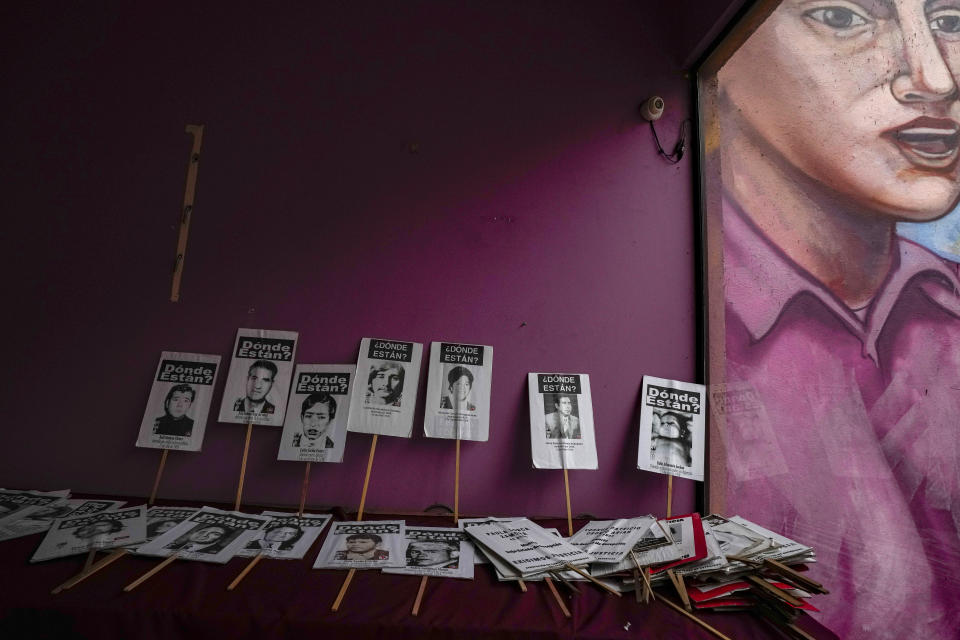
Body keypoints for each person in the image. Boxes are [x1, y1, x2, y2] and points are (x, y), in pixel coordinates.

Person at [712, 2, 960, 637]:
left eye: (952, 21)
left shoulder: (949, 307)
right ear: (723, 59)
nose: (933, 78)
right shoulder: (684, 318)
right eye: (845, 17)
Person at [164, 524, 230, 554]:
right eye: (203, 531)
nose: (204, 534)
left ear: (219, 539)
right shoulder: (174, 544)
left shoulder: (217, 551)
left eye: (215, 534)